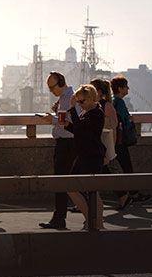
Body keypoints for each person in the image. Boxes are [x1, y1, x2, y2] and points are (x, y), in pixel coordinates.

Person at [59, 84, 105, 229]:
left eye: (82, 101)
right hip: (86, 154)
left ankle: (94, 220)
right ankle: (93, 220)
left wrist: (72, 109)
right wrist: (67, 125)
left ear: (91, 98)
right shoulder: (89, 112)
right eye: (78, 101)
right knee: (85, 190)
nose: (79, 104)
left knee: (90, 190)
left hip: (91, 155)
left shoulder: (96, 113)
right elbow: (80, 130)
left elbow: (83, 131)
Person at [39, 71, 79, 229]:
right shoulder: (63, 98)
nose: (51, 91)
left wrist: (53, 119)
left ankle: (60, 217)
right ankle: (60, 217)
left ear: (61, 83)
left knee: (62, 181)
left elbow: (70, 122)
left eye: (52, 87)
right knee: (62, 182)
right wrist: (56, 114)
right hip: (64, 143)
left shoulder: (71, 98)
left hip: (68, 144)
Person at [110, 75, 151, 209]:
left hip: (114, 140)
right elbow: (125, 120)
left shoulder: (112, 101)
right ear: (120, 88)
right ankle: (133, 194)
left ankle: (130, 193)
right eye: (126, 86)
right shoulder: (120, 102)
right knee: (127, 166)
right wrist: (131, 121)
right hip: (121, 141)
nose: (128, 89)